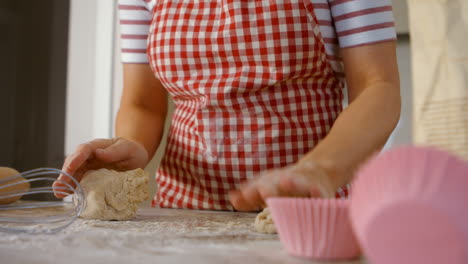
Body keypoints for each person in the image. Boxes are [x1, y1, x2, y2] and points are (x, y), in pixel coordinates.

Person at [54, 0, 400, 212]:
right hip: (182, 216)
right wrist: (130, 149)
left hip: (309, 213)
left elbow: (378, 87)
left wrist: (319, 170)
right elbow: (143, 103)